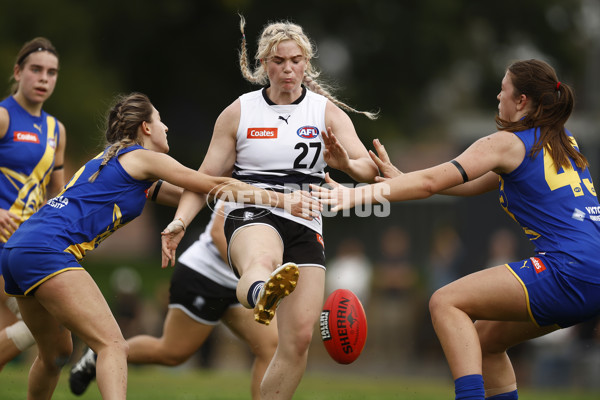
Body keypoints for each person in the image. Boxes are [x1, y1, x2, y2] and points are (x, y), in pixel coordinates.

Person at [311, 59, 600, 400]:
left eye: (504, 89)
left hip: (567, 269)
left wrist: (355, 194)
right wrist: (404, 180)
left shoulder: (507, 142)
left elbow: (433, 182)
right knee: (485, 342)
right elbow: (471, 182)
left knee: (445, 301)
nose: (498, 96)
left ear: (521, 101)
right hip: (591, 275)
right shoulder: (562, 140)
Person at [1, 92, 318, 400]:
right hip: (47, 250)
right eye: (160, 120)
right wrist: (281, 199)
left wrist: (247, 205)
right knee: (113, 345)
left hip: (17, 249)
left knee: (56, 354)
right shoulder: (143, 158)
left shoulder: (119, 163)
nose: (167, 127)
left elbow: (196, 197)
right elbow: (210, 183)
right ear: (146, 128)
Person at [161, 16, 378, 400]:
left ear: (306, 63)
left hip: (306, 217)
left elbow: (368, 168)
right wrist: (180, 221)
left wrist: (344, 163)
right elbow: (203, 178)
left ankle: (266, 295)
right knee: (261, 259)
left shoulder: (325, 113)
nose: (288, 68)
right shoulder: (240, 112)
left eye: (296, 60)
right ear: (264, 64)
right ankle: (263, 292)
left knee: (297, 342)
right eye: (278, 61)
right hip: (253, 207)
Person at [68, 201, 278, 400]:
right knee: (172, 352)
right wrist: (251, 272)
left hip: (243, 283)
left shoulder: (296, 189)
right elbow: (217, 233)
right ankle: (101, 355)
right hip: (205, 274)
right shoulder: (250, 178)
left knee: (270, 346)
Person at [0, 37, 67, 372]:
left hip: (29, 245)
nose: (44, 78)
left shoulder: (57, 130)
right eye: (36, 70)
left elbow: (58, 196)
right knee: (42, 328)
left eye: (51, 72)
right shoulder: (2, 117)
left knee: (57, 349)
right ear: (18, 71)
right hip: (2, 245)